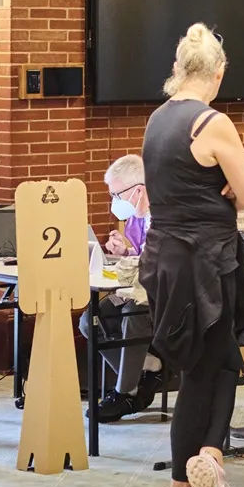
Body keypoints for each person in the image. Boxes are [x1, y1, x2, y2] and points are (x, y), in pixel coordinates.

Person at [138, 25, 244, 487]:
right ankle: (187, 481)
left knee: (208, 363)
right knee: (214, 365)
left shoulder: (156, 119)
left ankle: (201, 468)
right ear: (218, 72)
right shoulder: (213, 122)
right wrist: (230, 190)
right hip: (208, 260)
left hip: (164, 257)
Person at [79, 154, 163, 421]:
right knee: (89, 321)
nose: (114, 201)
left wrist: (132, 257)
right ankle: (150, 368)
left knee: (133, 315)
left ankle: (126, 392)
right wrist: (123, 250)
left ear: (138, 190)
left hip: (163, 291)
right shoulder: (136, 217)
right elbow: (140, 255)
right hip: (135, 285)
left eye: (116, 194)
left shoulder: (165, 215)